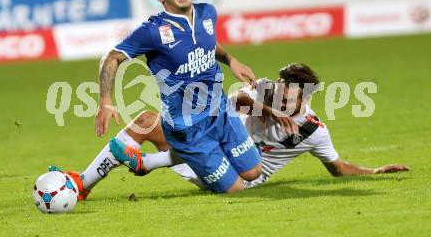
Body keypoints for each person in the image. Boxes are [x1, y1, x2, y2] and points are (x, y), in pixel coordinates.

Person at [92, 0, 299, 194]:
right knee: (236, 189)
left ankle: (149, 161)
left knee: (254, 172)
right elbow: (111, 57)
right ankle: (160, 160)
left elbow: (208, 44)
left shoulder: (207, 13)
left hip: (221, 112)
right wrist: (106, 101)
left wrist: (231, 60)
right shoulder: (152, 31)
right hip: (187, 128)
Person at [52, 64, 409, 199]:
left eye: (289, 89)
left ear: (305, 96)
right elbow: (235, 99)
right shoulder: (267, 95)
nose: (282, 91)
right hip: (216, 148)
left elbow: (337, 167)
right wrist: (266, 108)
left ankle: (148, 163)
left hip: (240, 177)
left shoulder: (314, 130)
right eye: (282, 85)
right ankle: (83, 184)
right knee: (147, 120)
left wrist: (375, 171)